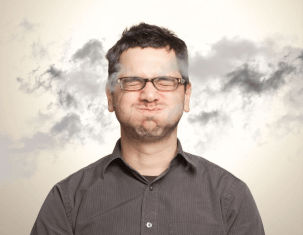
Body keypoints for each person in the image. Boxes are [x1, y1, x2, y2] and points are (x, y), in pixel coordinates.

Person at [31, 23, 265, 235]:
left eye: (165, 81)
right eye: (133, 81)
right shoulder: (67, 200)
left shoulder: (231, 197)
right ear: (111, 97)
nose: (149, 95)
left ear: (186, 96)